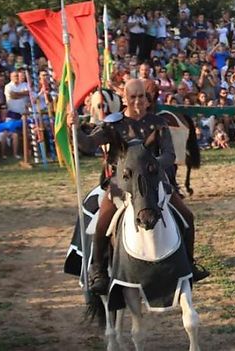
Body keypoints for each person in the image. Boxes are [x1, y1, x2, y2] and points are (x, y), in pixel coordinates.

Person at [68, 79, 208, 294]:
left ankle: (188, 264)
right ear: (124, 98)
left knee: (187, 217)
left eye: (141, 96)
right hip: (121, 185)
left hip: (154, 183)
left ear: (147, 98)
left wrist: (151, 167)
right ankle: (98, 271)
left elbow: (169, 155)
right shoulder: (114, 124)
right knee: (103, 221)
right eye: (132, 97)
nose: (137, 101)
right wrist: (75, 127)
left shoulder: (158, 124)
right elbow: (87, 144)